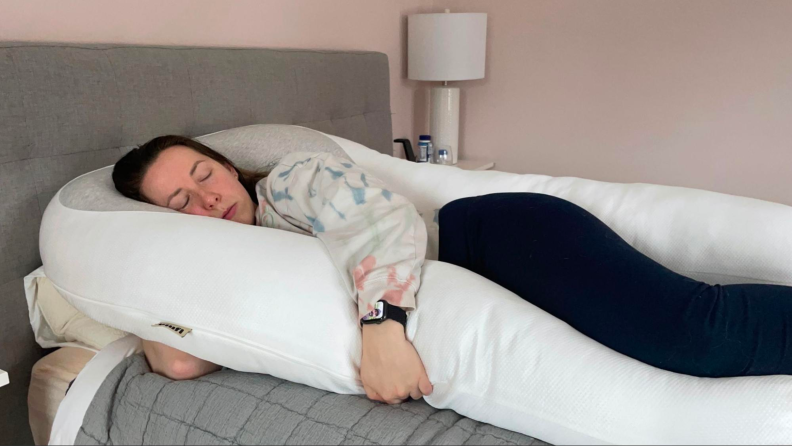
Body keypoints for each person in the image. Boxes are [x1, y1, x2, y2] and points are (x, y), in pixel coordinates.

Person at [113, 135, 792, 403]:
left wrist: (383, 329)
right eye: (181, 202)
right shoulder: (235, 260)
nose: (207, 197)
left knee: (696, 333)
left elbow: (379, 221)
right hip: (497, 259)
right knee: (689, 327)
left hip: (501, 239)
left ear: (228, 166)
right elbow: (181, 361)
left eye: (204, 174)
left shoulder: (292, 182)